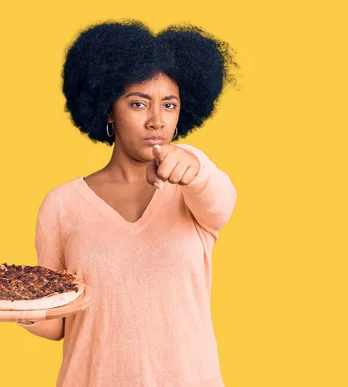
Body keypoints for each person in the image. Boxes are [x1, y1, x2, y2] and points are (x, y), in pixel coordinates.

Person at [17, 19, 239, 387]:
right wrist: (15, 305)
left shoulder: (195, 186)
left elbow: (221, 204)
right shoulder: (62, 205)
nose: (156, 120)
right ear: (108, 110)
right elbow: (55, 324)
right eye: (138, 103)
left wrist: (194, 165)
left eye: (169, 105)